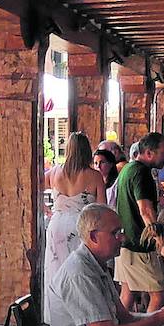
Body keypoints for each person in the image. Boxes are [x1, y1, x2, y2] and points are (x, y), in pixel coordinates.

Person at [44, 133, 109, 313]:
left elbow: (31, 185)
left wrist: (46, 210)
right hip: (82, 226)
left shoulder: (55, 171)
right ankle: (81, 312)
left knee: (56, 268)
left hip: (57, 224)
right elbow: (101, 209)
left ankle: (56, 313)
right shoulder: (94, 176)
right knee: (81, 270)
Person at [116, 132, 164, 326]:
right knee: (158, 295)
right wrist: (159, 240)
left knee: (127, 294)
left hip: (126, 243)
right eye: (163, 152)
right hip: (140, 245)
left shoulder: (128, 169)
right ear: (148, 153)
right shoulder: (142, 174)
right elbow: (145, 210)